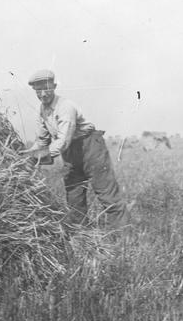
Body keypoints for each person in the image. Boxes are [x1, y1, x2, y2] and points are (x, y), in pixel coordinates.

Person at [21, 69, 130, 230]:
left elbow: (63, 141)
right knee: (74, 195)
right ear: (34, 91)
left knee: (106, 193)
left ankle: (122, 237)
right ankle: (82, 236)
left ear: (55, 86)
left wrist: (36, 156)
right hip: (70, 154)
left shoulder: (65, 107)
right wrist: (25, 155)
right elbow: (42, 141)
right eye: (38, 91)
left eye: (47, 89)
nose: (43, 94)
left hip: (90, 147)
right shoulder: (42, 110)